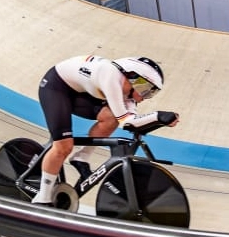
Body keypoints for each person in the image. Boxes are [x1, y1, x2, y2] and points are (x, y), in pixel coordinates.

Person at [31, 56, 178, 205]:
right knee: (63, 147)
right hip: (56, 87)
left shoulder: (127, 90)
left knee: (111, 118)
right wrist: (158, 116)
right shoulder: (111, 76)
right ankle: (43, 198)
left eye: (151, 93)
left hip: (80, 92)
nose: (146, 97)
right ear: (133, 77)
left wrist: (159, 120)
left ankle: (81, 157)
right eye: (146, 90)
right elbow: (127, 122)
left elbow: (133, 122)